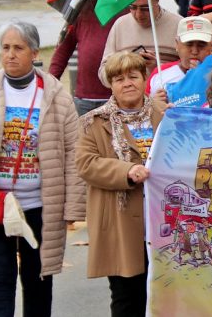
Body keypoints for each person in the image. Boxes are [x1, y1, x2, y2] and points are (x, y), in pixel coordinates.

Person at [0, 21, 84, 317]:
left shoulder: (56, 95)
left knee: (38, 283)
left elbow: (73, 151)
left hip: (40, 207)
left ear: (35, 52)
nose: (10, 55)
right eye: (5, 48)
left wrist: (73, 208)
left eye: (18, 48)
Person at [77, 52, 164, 317]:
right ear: (111, 85)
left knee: (162, 296)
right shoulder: (95, 122)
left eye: (133, 76)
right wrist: (127, 171)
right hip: (120, 221)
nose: (127, 83)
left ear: (143, 79)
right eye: (119, 78)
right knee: (127, 297)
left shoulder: (167, 117)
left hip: (163, 221)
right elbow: (86, 164)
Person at [49, 0, 127, 115]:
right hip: (84, 100)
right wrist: (51, 84)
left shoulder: (126, 13)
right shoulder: (81, 15)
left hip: (116, 97)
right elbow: (62, 52)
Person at [100, 0, 182, 79]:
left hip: (165, 92)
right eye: (133, 7)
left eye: (145, 8)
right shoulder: (120, 24)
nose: (138, 14)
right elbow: (103, 71)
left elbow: (189, 70)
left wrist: (157, 68)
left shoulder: (179, 25)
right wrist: (125, 70)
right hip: (127, 92)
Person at [146, 16, 212, 95]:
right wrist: (156, 103)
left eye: (201, 45)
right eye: (189, 44)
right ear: (177, 44)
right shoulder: (160, 74)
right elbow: (144, 104)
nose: (195, 51)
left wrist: (203, 75)